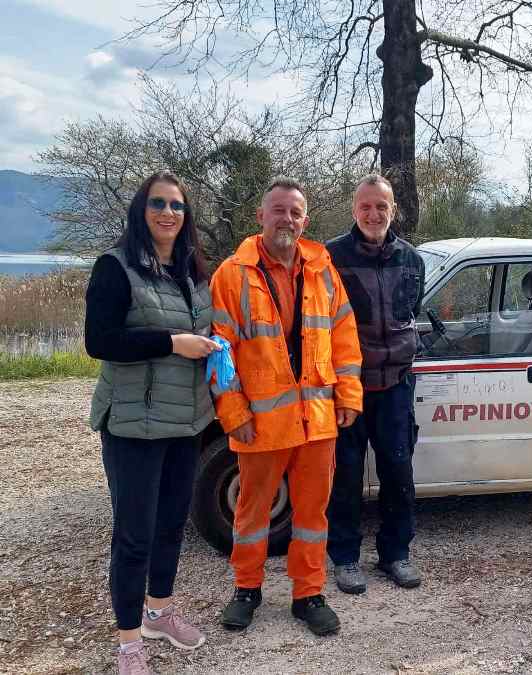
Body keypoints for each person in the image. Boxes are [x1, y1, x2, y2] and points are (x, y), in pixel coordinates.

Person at [211, 177, 363, 635]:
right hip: (260, 423)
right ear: (261, 216)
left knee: (313, 516)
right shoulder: (232, 275)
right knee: (252, 514)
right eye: (278, 210)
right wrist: (233, 413)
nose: (287, 220)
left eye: (295, 213)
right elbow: (220, 352)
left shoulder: (323, 271)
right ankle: (246, 589)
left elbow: (345, 338)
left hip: (316, 421)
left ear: (305, 221)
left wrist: (348, 395)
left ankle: (308, 595)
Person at [85, 170, 220, 675]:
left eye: (177, 206)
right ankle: (128, 642)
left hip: (187, 421)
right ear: (141, 211)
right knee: (134, 534)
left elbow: (203, 328)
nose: (168, 213)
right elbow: (100, 341)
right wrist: (171, 342)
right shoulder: (115, 267)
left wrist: (216, 348)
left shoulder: (193, 270)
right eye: (158, 203)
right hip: (133, 424)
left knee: (170, 526)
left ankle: (159, 614)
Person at [325, 174, 426, 594]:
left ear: (392, 210)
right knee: (345, 476)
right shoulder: (331, 257)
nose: (373, 214)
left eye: (381, 206)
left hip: (396, 384)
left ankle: (395, 554)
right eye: (365, 206)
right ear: (354, 210)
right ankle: (345, 558)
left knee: (398, 472)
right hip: (347, 385)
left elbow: (412, 311)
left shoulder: (412, 259)